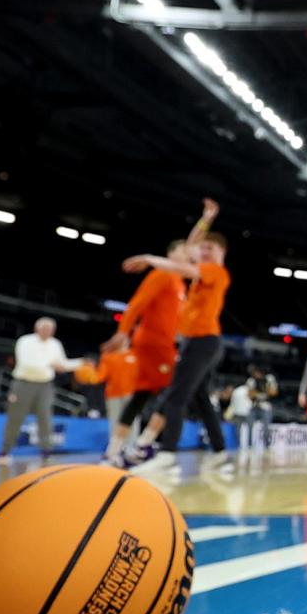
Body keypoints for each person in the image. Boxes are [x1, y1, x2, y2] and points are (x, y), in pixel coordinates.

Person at [124, 198, 232, 472]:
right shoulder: (204, 272)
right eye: (202, 248)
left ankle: (167, 452)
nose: (202, 251)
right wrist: (206, 219)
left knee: (176, 396)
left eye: (209, 248)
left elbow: (186, 265)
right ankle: (220, 451)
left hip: (202, 342)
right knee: (199, 398)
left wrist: (150, 259)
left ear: (221, 252)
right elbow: (192, 245)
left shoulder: (215, 272)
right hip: (203, 342)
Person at [101, 231, 194, 464]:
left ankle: (114, 451)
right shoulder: (162, 274)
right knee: (179, 390)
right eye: (183, 250)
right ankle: (143, 444)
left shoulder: (179, 283)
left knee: (142, 397)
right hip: (154, 345)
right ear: (170, 254)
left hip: (162, 344)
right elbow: (137, 303)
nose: (187, 255)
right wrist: (123, 331)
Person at [0, 317, 85, 464]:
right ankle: (5, 451)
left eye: (51, 330)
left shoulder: (55, 344)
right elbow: (27, 362)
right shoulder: (25, 341)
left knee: (45, 417)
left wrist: (80, 363)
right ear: (37, 328)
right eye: (45, 328)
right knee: (16, 417)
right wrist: (51, 364)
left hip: (45, 385)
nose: (48, 332)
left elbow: (62, 364)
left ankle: (46, 451)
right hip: (23, 383)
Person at [92, 338, 139, 442]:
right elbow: (100, 376)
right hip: (113, 395)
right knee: (115, 421)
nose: (125, 341)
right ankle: (115, 448)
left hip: (132, 394)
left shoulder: (135, 355)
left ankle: (131, 446)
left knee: (133, 421)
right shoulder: (107, 357)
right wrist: (90, 374)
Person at [245, 365, 278, 453]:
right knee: (250, 426)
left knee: (266, 428)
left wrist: (265, 387)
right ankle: (249, 446)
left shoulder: (269, 378)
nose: (256, 374)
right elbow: (249, 395)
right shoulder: (251, 380)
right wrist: (257, 390)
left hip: (265, 406)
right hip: (254, 406)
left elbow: (274, 392)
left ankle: (267, 446)